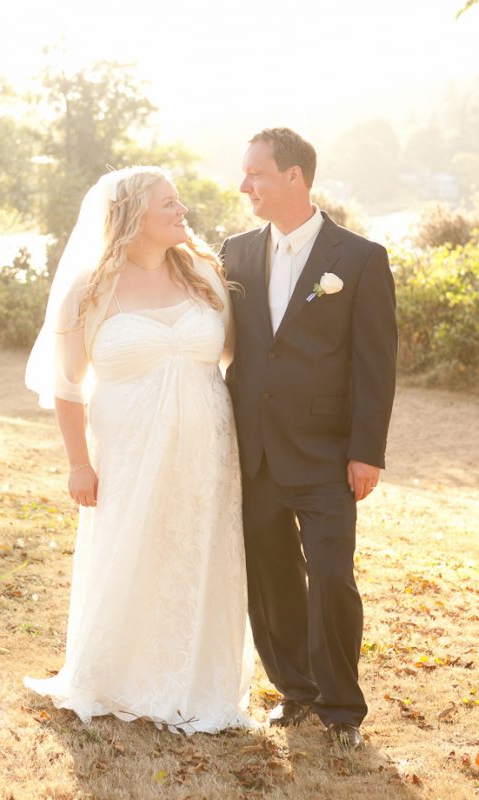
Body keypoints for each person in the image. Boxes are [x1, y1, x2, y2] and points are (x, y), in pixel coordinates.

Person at [23, 166, 254, 734]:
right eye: (168, 205)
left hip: (207, 451)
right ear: (132, 217)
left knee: (198, 554)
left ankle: (200, 681)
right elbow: (67, 386)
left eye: (179, 203)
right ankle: (122, 675)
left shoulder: (204, 274)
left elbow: (234, 356)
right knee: (135, 552)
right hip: (129, 450)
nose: (182, 213)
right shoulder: (91, 289)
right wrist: (80, 464)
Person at [220, 128, 397, 749]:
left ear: (295, 177)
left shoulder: (360, 258)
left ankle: (343, 707)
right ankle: (296, 690)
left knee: (329, 574)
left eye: (257, 174)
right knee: (270, 577)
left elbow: (376, 366)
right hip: (255, 451)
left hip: (326, 452)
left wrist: (365, 451)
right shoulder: (235, 252)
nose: (245, 186)